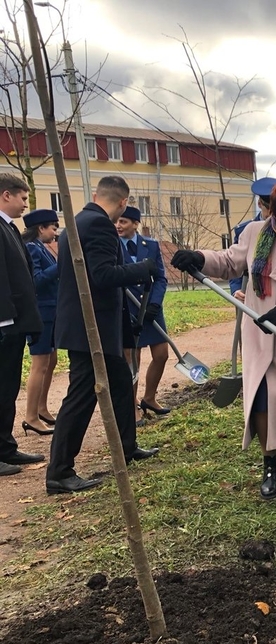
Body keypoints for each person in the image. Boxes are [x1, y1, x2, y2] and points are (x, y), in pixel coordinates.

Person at [171, 181, 276, 502]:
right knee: (261, 402)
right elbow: (230, 261)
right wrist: (199, 257)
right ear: (273, 214)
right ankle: (270, 465)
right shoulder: (253, 234)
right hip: (259, 333)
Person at [46, 176, 161, 494]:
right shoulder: (99, 226)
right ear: (124, 202)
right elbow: (102, 275)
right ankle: (59, 472)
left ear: (97, 195)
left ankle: (127, 447)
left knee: (122, 384)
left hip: (85, 325)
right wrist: (143, 268)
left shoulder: (76, 222)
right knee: (81, 396)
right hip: (90, 329)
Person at [0, 174, 44, 476]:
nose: (25, 204)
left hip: (14, 322)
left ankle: (6, 448)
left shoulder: (9, 227)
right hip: (4, 323)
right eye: (22, 198)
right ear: (5, 195)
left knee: (7, 387)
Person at [116, 206, 170, 423]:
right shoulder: (113, 246)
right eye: (117, 222)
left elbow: (161, 278)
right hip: (128, 309)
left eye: (124, 222)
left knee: (162, 354)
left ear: (135, 224)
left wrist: (154, 304)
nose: (118, 226)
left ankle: (149, 398)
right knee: (132, 361)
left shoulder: (151, 245)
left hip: (150, 308)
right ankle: (132, 406)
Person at [22, 209, 61, 436]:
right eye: (53, 228)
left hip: (50, 311)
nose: (55, 233)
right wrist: (61, 265)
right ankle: (30, 416)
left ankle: (41, 408)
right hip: (41, 312)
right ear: (41, 228)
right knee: (40, 364)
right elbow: (36, 281)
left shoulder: (40, 248)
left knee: (51, 361)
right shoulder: (31, 249)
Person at [229, 177, 276, 301]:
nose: (271, 214)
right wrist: (236, 289)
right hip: (251, 294)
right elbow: (235, 263)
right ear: (260, 204)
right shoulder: (244, 230)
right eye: (268, 208)